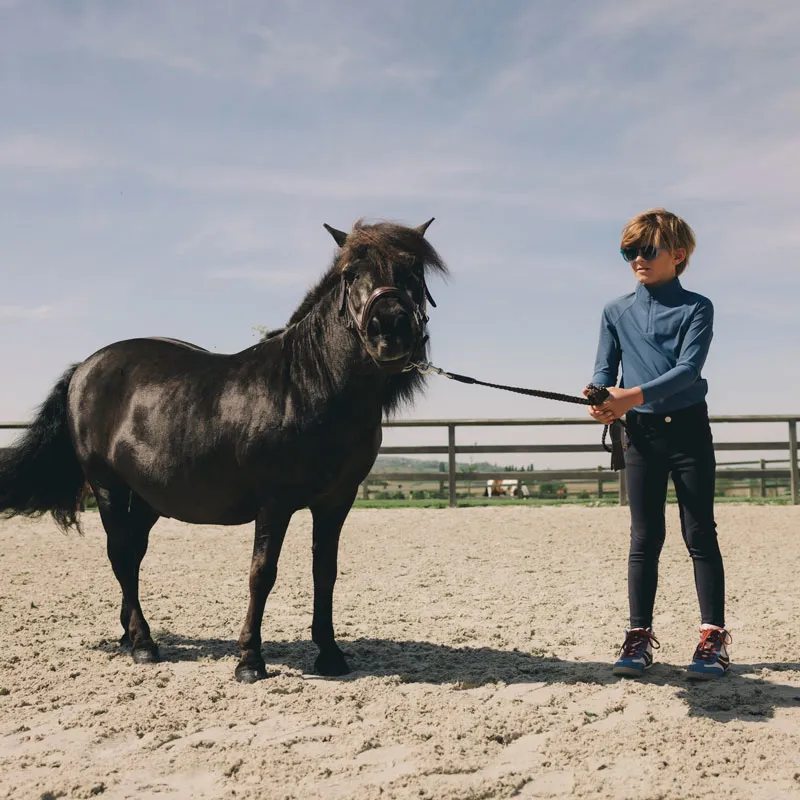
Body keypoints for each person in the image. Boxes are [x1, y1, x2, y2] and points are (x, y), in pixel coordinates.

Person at [586, 208, 730, 680]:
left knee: (699, 534)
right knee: (645, 538)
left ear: (679, 254)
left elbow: (688, 370)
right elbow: (604, 371)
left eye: (646, 251)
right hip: (641, 435)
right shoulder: (614, 311)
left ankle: (712, 638)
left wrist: (631, 396)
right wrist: (601, 398)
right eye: (629, 252)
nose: (636, 260)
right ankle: (639, 635)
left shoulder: (698, 308)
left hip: (688, 429)